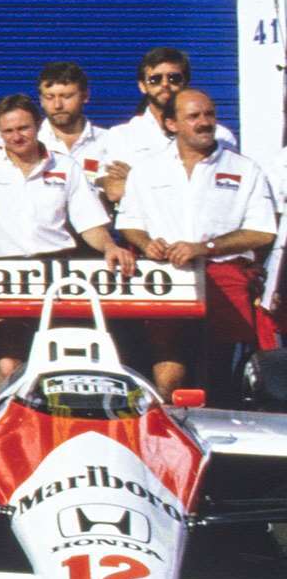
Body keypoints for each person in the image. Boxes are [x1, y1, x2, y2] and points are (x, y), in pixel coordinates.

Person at [0, 93, 134, 381]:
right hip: (4, 274)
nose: (16, 137)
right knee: (8, 366)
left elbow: (89, 223)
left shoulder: (65, 166)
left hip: (59, 271)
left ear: (38, 125)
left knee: (62, 364)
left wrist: (110, 247)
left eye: (23, 128)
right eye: (8, 131)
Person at [117, 88, 277, 395]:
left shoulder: (244, 169)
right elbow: (129, 223)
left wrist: (205, 248)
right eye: (193, 116)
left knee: (218, 370)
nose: (205, 122)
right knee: (168, 365)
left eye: (209, 114)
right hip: (168, 279)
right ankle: (166, 429)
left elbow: (262, 231)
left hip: (225, 278)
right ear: (171, 124)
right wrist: (147, 243)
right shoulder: (147, 170)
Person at [101, 47, 236, 205]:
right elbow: (115, 191)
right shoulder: (122, 135)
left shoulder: (219, 135)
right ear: (142, 86)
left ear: (185, 83)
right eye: (155, 79)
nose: (165, 84)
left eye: (174, 78)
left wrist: (135, 178)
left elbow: (225, 193)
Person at [35, 61, 110, 188]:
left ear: (85, 96)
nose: (57, 105)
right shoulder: (31, 142)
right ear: (41, 100)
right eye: (49, 97)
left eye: (66, 96)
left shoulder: (108, 141)